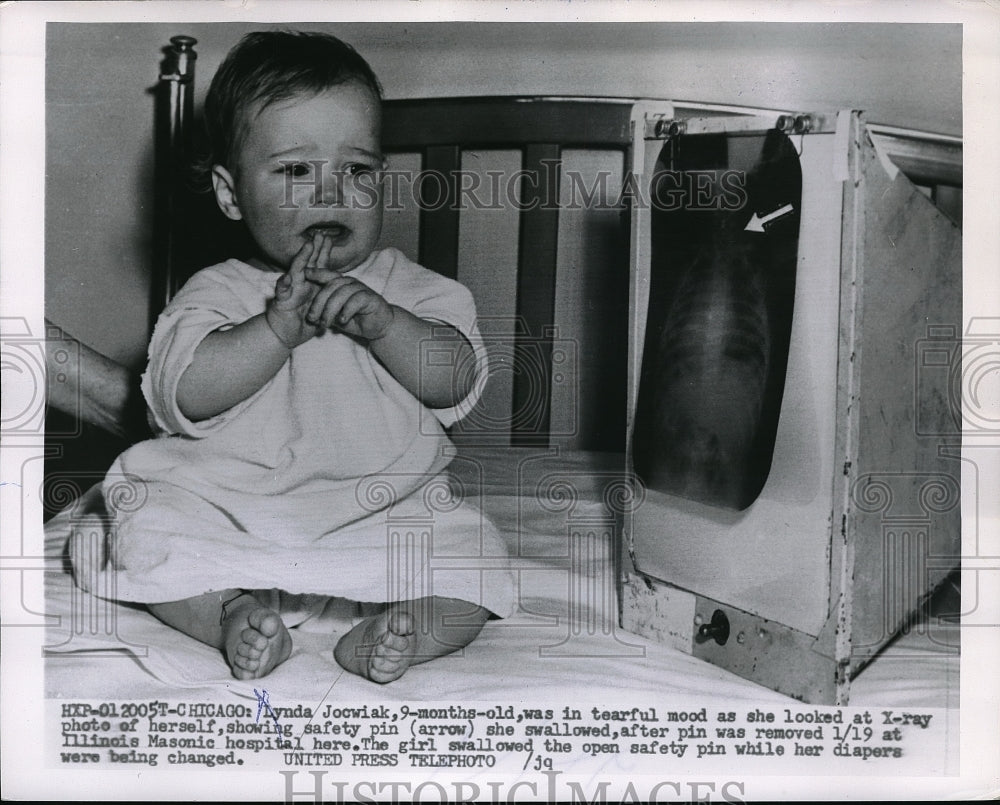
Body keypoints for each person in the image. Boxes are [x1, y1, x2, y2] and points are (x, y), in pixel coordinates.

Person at [72, 30, 516, 684]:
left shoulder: (414, 289)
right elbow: (182, 393)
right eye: (295, 170)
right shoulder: (216, 292)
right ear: (230, 193)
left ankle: (395, 632)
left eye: (357, 170)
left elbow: (455, 381)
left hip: (376, 517)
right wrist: (275, 328)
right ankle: (231, 612)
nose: (331, 192)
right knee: (146, 524)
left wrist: (386, 323)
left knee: (480, 558)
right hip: (232, 514)